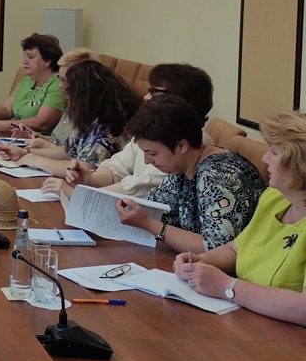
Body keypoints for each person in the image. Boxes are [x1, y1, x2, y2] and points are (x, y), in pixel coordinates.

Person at [175, 112, 306, 324]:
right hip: (245, 319)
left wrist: (226, 287)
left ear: (300, 165)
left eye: (273, 152)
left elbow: (303, 309)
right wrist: (202, 262)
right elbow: (237, 248)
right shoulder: (274, 197)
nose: (265, 158)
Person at [112, 95, 267, 253]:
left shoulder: (218, 178)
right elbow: (158, 206)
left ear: (181, 146)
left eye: (152, 153)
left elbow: (215, 249)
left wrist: (149, 224)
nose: (147, 161)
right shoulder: (183, 168)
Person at [51, 63, 214, 199]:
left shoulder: (190, 146)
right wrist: (90, 180)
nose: (146, 97)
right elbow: (119, 165)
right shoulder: (151, 133)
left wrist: (81, 195)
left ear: (178, 100)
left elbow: (143, 186)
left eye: (154, 92)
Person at [0, 59, 140, 177]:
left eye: (69, 90)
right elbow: (68, 152)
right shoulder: (89, 117)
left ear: (86, 94)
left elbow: (84, 169)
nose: (61, 87)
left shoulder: (108, 127)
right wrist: (25, 153)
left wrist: (37, 161)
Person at [0, 33, 64, 133]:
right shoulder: (28, 80)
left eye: (30, 57)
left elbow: (42, 123)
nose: (25, 61)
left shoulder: (58, 84)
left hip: (40, 140)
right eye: (24, 56)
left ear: (48, 60)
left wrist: (1, 125)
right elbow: (6, 109)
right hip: (18, 137)